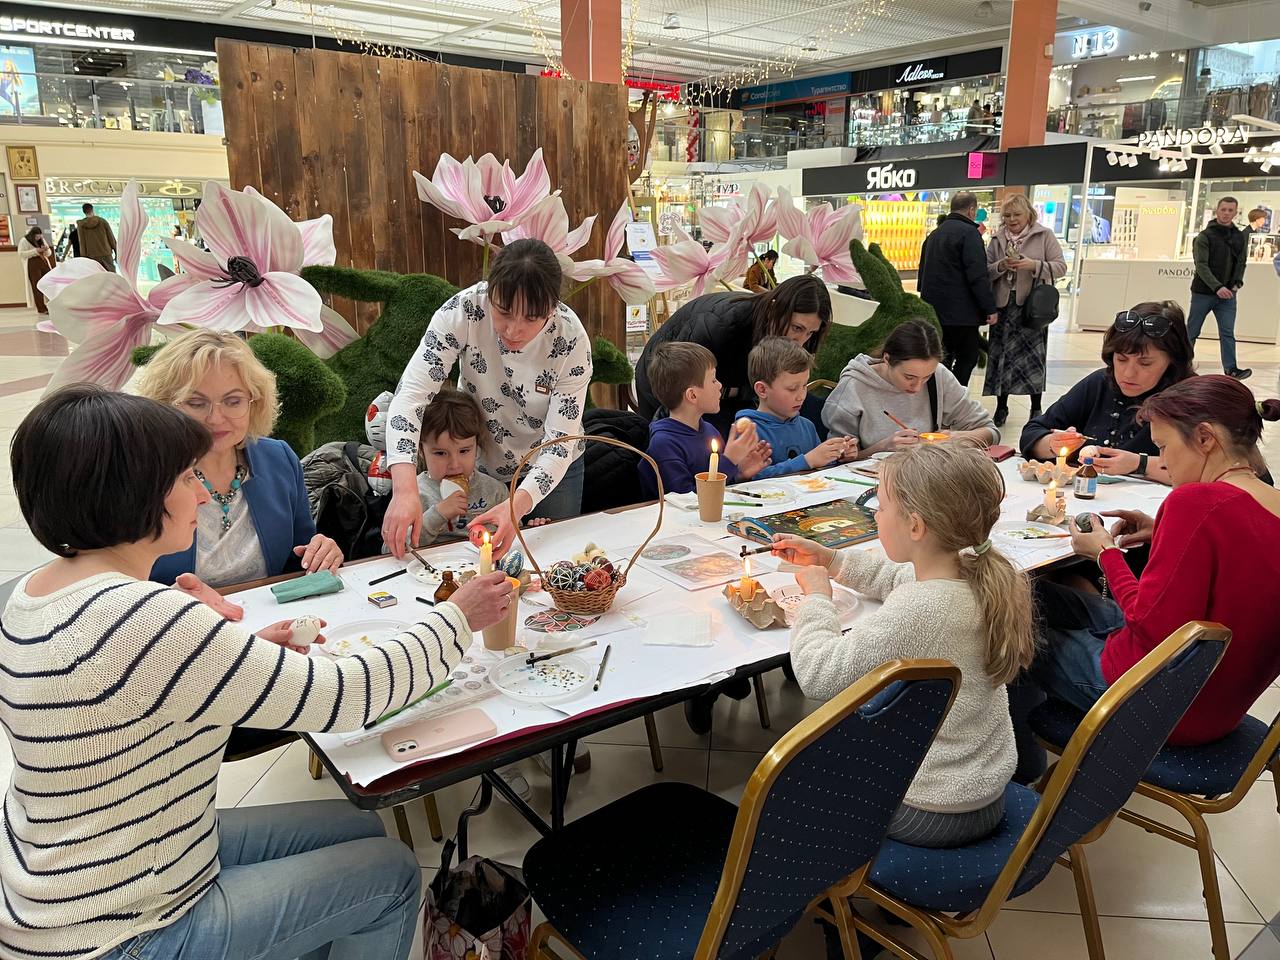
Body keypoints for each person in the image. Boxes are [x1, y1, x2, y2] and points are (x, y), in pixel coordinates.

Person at [0, 384, 514, 960]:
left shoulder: (33, 594)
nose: (202, 494)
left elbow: (142, 686)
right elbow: (348, 696)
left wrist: (237, 649)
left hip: (77, 873)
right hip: (119, 929)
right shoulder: (148, 618)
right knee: (391, 872)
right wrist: (457, 618)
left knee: (360, 827)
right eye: (187, 478)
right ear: (134, 494)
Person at [776, 442, 1034, 846]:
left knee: (792, 778)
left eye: (880, 508)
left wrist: (816, 598)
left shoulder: (925, 609)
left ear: (915, 526)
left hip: (934, 810)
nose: (875, 516)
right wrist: (831, 561)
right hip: (980, 789)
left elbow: (818, 673)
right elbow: (899, 577)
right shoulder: (975, 570)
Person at [1028, 375, 1280, 748]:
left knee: (1007, 625)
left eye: (1163, 447)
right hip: (1218, 703)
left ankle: (1015, 757)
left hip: (1157, 700)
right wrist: (1164, 534)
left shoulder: (1195, 504)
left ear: (1205, 438)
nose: (1163, 461)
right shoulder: (1268, 502)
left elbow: (1149, 624)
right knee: (1034, 596)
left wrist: (1106, 554)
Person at [382, 239, 592, 561]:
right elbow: (411, 396)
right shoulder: (463, 311)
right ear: (490, 292)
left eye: (531, 318)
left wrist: (516, 506)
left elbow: (559, 444)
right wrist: (405, 488)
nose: (514, 330)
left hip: (552, 467)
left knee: (550, 561)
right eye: (503, 312)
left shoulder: (571, 339)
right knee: (479, 564)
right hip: (483, 461)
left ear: (552, 309)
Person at [137, 329, 343, 606]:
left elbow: (298, 558)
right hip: (178, 621)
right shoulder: (142, 472)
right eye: (196, 403)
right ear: (165, 406)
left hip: (269, 616)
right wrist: (165, 603)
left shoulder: (279, 458)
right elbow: (108, 577)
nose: (215, 418)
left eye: (233, 401)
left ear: (254, 403)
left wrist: (321, 552)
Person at [634, 274, 833, 437]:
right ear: (775, 308)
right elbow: (680, 383)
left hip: (725, 392)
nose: (800, 341)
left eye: (810, 333)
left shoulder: (790, 337)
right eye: (797, 328)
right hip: (665, 384)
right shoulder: (722, 324)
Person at [1020, 301, 1195, 482]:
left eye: (1145, 363)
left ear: (1172, 362)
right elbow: (1032, 433)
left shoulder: (1190, 398)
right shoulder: (1101, 383)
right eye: (1121, 359)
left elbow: (1202, 472)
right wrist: (1053, 444)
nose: (1128, 373)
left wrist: (1138, 464)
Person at [824, 319, 999, 455]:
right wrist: (883, 447)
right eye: (909, 377)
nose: (917, 387)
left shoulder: (938, 376)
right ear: (887, 359)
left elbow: (991, 432)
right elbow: (836, 461)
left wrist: (957, 438)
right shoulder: (854, 387)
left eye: (926, 377)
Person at [638, 341, 770, 498]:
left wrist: (740, 473)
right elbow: (685, 500)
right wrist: (729, 460)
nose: (719, 385)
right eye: (713, 380)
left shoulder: (709, 430)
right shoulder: (664, 444)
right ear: (692, 395)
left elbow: (719, 486)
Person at [983, 194, 1068, 426]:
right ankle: (1001, 407)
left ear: (1029, 214)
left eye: (1017, 214)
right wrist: (1001, 265)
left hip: (1032, 308)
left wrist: (1034, 265)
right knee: (1001, 356)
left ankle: (1036, 407)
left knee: (1033, 358)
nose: (1012, 219)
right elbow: (986, 271)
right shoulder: (997, 239)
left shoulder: (1044, 235)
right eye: (1007, 215)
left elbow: (1060, 267)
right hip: (1003, 306)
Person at [734, 337, 856, 479]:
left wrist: (839, 455)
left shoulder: (807, 426)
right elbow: (747, 478)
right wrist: (806, 461)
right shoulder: (747, 430)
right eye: (792, 388)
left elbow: (820, 470)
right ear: (762, 390)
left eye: (804, 386)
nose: (801, 396)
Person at [917, 192, 997, 387]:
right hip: (962, 313)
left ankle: (939, 395)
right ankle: (954, 394)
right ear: (971, 210)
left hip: (935, 310)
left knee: (942, 356)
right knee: (968, 356)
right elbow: (977, 275)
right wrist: (989, 307)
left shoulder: (934, 234)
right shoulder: (969, 234)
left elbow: (922, 273)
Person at [416, 386, 511, 544]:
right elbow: (390, 550)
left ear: (476, 445)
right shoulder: (414, 493)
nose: (454, 465)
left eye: (464, 451)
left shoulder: (496, 491)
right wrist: (437, 514)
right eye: (440, 453)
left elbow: (514, 536)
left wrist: (534, 528)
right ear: (421, 450)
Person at [1188, 196, 1250, 381]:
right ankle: (1181, 366)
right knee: (1192, 331)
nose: (1226, 213)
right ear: (1217, 210)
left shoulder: (1239, 236)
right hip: (1203, 293)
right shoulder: (1205, 236)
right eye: (1223, 209)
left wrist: (1237, 283)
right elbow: (1201, 265)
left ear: (1236, 212)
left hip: (1228, 295)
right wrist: (1217, 287)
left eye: (1230, 210)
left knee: (1227, 332)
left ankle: (1231, 369)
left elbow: (1241, 262)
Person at [17, 226, 54, 315]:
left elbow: (49, 253)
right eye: (36, 237)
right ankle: (41, 308)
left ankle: (52, 305)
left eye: (39, 237)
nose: (38, 238)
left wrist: (46, 249)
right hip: (32, 264)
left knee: (50, 283)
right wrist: (35, 251)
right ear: (32, 235)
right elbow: (21, 254)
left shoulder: (41, 239)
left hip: (43, 262)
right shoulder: (24, 240)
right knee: (37, 286)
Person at [76, 201, 117, 272]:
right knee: (111, 275)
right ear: (92, 210)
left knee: (96, 276)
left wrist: (84, 258)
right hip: (106, 254)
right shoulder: (102, 221)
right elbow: (111, 238)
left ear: (84, 212)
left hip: (91, 256)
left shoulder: (81, 225)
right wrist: (116, 252)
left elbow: (82, 242)